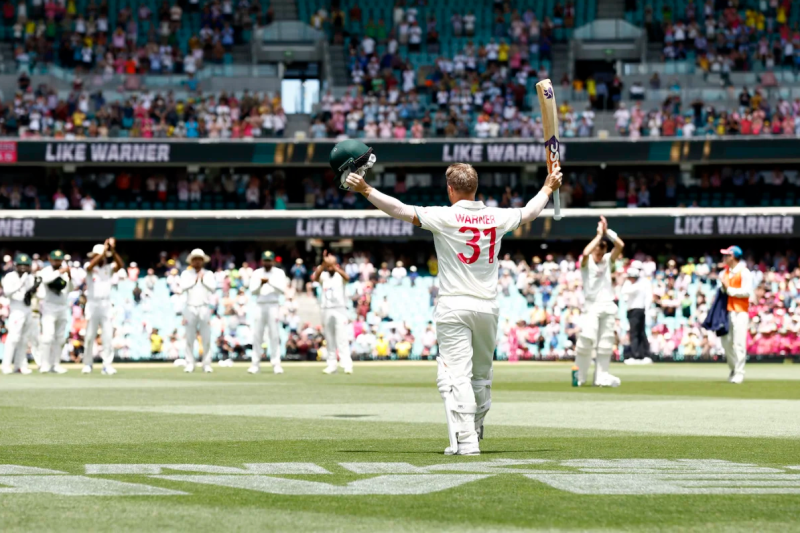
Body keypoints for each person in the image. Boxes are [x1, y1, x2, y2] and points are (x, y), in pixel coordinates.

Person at [344, 160, 562, 455]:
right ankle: (477, 427)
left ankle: (467, 440)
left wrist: (366, 188)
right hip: (488, 306)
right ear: (475, 188)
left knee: (456, 374)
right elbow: (532, 212)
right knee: (482, 375)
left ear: (450, 190)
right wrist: (548, 187)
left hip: (453, 305)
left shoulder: (443, 216)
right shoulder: (497, 216)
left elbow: (398, 209)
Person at [576, 216, 625, 387]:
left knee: (606, 344)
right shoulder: (586, 262)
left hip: (607, 305)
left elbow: (620, 246)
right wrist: (598, 236)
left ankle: (601, 377)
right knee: (586, 340)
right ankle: (580, 377)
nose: (599, 253)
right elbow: (584, 253)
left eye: (602, 250)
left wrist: (607, 233)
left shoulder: (607, 260)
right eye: (597, 250)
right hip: (591, 306)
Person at [83, 239, 124, 375]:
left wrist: (112, 251)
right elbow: (90, 266)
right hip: (92, 304)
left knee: (107, 336)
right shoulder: (90, 267)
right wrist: (104, 252)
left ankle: (107, 365)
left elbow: (120, 265)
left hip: (106, 304)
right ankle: (88, 364)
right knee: (89, 336)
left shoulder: (108, 268)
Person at [312, 251, 353, 375]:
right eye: (328, 266)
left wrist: (334, 267)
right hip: (326, 309)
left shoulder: (339, 275)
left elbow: (347, 278)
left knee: (342, 337)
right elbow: (315, 277)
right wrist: (323, 265)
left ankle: (346, 364)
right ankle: (331, 365)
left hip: (339, 308)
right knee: (329, 338)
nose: (330, 268)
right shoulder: (324, 275)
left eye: (332, 265)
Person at [248, 250, 287, 374]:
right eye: (265, 260)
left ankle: (276, 364)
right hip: (260, 305)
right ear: (262, 261)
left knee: (274, 335)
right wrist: (261, 283)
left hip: (273, 305)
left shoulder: (279, 273)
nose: (267, 263)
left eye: (269, 260)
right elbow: (253, 291)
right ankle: (255, 364)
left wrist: (269, 282)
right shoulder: (257, 273)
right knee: (257, 335)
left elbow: (282, 290)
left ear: (273, 261)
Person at [1, 253, 40, 375]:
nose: (23, 268)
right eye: (21, 265)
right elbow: (7, 292)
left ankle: (19, 365)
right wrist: (21, 281)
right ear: (16, 266)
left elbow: (29, 296)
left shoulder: (30, 277)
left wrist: (33, 288)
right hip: (16, 310)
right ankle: (6, 365)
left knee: (24, 339)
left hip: (27, 309)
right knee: (13, 338)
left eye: (26, 265)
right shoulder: (9, 277)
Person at [180, 248, 217, 373]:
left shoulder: (208, 274)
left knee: (206, 337)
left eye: (199, 260)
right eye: (194, 259)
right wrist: (195, 281)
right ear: (191, 261)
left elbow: (213, 289)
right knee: (189, 337)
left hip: (204, 307)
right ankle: (190, 363)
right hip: (190, 306)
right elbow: (183, 288)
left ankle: (206, 364)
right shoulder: (186, 274)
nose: (197, 262)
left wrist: (203, 280)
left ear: (202, 261)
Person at [37, 249, 73, 373]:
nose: (57, 262)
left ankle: (55, 364)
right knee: (47, 337)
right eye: (55, 259)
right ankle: (44, 364)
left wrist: (69, 276)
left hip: (62, 306)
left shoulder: (65, 272)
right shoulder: (45, 271)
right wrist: (61, 271)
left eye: (59, 260)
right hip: (49, 306)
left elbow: (70, 289)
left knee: (60, 338)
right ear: (50, 259)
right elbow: (46, 280)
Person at [719, 245, 751, 384]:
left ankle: (739, 372)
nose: (725, 258)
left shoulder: (744, 272)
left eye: (727, 255)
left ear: (734, 257)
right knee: (725, 343)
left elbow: (747, 292)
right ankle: (733, 368)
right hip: (727, 311)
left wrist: (729, 289)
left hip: (740, 312)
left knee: (738, 343)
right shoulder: (725, 273)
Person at [621, 261, 652, 364]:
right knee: (637, 332)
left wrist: (647, 309)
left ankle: (638, 355)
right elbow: (624, 292)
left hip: (638, 309)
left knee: (637, 333)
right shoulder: (635, 282)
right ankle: (641, 354)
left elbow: (627, 291)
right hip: (633, 309)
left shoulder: (641, 283)